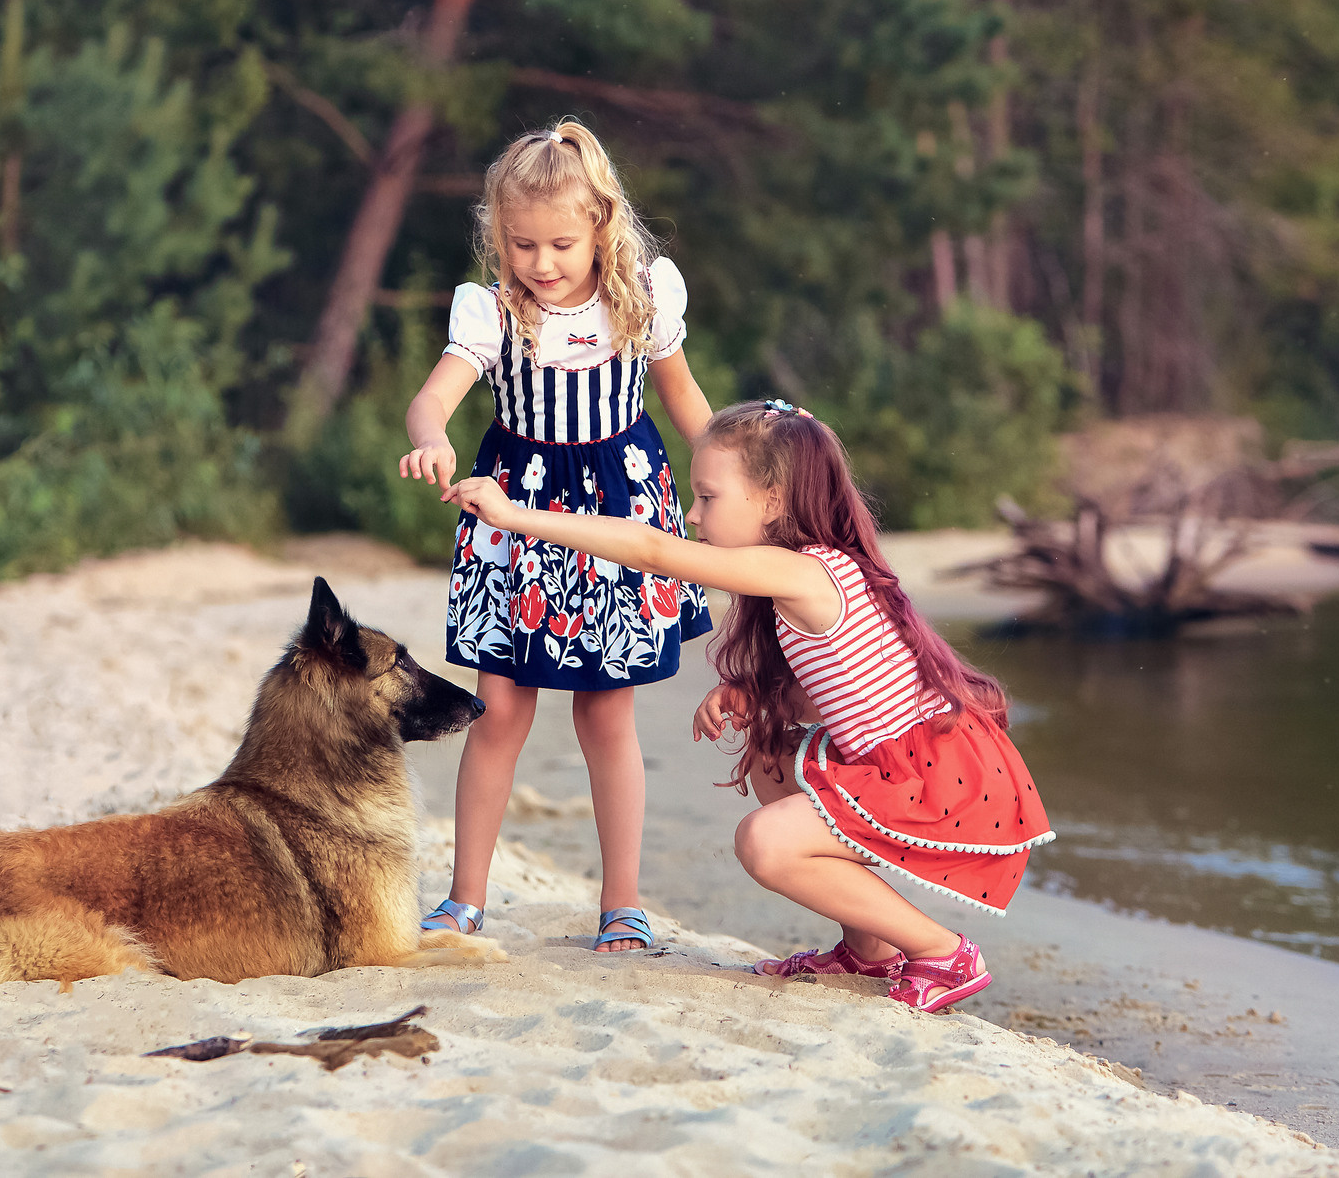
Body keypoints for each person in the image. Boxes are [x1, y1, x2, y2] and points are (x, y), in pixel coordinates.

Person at [441, 398, 1051, 1012]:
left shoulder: (804, 572)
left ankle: (943, 953)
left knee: (763, 844)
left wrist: (519, 517)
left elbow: (652, 552)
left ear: (774, 498)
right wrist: (753, 695)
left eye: (707, 498)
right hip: (904, 760)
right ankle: (869, 949)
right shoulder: (805, 572)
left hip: (936, 775)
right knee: (769, 757)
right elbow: (844, 684)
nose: (693, 513)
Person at [398, 118, 715, 954]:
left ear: (603, 227)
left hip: (620, 514)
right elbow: (434, 398)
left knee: (606, 715)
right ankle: (466, 897)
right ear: (498, 237)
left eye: (561, 243)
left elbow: (689, 408)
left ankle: (622, 902)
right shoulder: (494, 314)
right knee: (497, 711)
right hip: (516, 511)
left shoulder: (641, 302)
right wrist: (431, 434)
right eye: (522, 243)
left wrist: (743, 483)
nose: (541, 262)